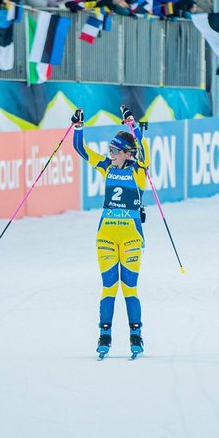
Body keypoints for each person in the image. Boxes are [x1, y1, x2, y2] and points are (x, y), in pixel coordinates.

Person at [71, 105, 148, 360]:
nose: (110, 154)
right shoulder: (106, 167)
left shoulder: (139, 172)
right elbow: (81, 150)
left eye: (114, 151)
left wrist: (131, 123)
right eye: (110, 150)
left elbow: (142, 149)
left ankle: (135, 336)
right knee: (108, 288)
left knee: (129, 289)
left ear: (127, 153)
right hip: (105, 235)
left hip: (131, 238)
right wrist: (78, 126)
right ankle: (104, 336)